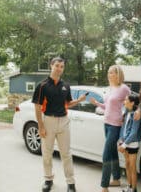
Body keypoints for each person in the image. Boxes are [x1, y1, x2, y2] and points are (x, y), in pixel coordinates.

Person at [32, 56, 86, 192]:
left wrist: (79, 100)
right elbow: (38, 107)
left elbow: (67, 103)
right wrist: (41, 126)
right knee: (47, 153)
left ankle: (71, 183)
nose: (59, 69)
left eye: (62, 66)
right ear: (51, 65)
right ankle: (48, 179)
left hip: (63, 122)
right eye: (57, 65)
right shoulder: (42, 86)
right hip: (48, 121)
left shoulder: (65, 86)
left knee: (66, 154)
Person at [90, 65, 130, 192]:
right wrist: (97, 104)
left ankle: (104, 186)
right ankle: (117, 178)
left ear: (118, 74)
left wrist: (126, 115)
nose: (109, 74)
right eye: (108, 72)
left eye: (111, 72)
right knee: (112, 152)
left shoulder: (124, 88)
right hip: (106, 123)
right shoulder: (111, 88)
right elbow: (107, 106)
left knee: (106, 155)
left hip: (115, 125)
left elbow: (133, 102)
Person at [118, 94, 141, 192]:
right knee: (127, 165)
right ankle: (129, 186)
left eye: (126, 99)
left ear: (132, 102)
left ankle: (134, 189)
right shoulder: (127, 112)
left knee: (132, 167)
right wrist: (120, 140)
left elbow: (134, 132)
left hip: (132, 144)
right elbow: (123, 128)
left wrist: (124, 144)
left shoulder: (136, 114)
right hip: (124, 142)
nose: (124, 101)